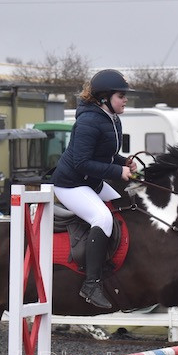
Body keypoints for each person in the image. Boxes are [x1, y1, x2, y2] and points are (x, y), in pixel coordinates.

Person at [52, 69, 137, 309]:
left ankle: (112, 263)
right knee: (103, 218)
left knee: (125, 205)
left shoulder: (111, 117)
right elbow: (81, 162)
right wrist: (117, 172)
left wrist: (123, 162)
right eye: (121, 95)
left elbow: (106, 154)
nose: (125, 99)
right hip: (71, 184)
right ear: (104, 98)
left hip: (90, 181)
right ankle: (91, 284)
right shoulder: (89, 120)